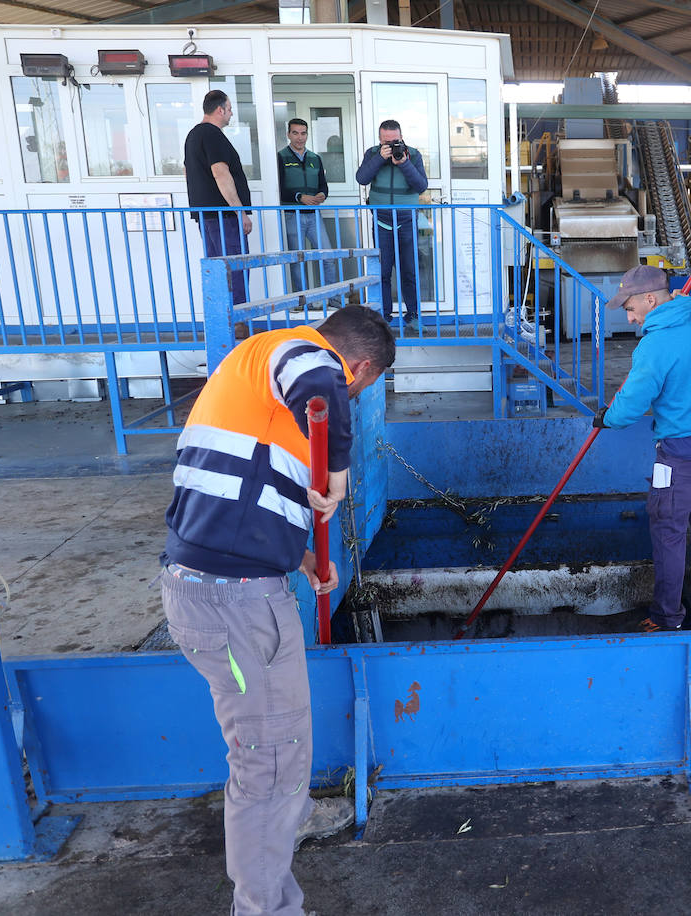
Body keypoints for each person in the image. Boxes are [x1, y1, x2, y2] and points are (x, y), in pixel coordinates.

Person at [160, 305, 396, 915]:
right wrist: (339, 471)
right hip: (235, 604)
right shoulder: (299, 355)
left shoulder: (255, 372)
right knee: (267, 763)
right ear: (360, 368)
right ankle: (265, 908)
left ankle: (295, 812)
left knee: (277, 746)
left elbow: (241, 497)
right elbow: (319, 383)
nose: (354, 398)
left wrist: (301, 558)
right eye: (362, 389)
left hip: (230, 585)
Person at [593, 264, 691, 633]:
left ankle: (666, 616)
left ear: (650, 298)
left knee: (667, 527)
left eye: (629, 307)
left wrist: (606, 418)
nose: (628, 316)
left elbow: (628, 409)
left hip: (681, 451)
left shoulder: (654, 346)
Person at [356, 119, 428, 334]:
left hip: (406, 219)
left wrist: (403, 163)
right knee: (383, 271)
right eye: (386, 142)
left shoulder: (413, 155)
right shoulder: (372, 153)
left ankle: (413, 315)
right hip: (381, 219)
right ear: (380, 140)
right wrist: (380, 158)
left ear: (401, 136)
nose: (391, 145)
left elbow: (421, 186)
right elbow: (362, 178)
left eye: (395, 141)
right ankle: (384, 317)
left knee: (409, 270)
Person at [185, 90, 252, 305]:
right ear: (220, 109)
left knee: (217, 272)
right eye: (230, 109)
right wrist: (240, 212)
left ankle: (224, 323)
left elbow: (188, 172)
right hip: (225, 218)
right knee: (235, 269)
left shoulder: (193, 136)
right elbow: (220, 173)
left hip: (207, 216)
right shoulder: (212, 135)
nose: (231, 114)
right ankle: (239, 322)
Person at [277, 118, 341, 301]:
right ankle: (303, 302)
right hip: (293, 215)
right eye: (295, 133)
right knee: (298, 261)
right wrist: (299, 197)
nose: (299, 137)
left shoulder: (315, 158)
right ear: (288, 134)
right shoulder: (280, 157)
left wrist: (321, 195)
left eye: (303, 133)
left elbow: (324, 186)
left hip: (314, 215)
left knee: (327, 256)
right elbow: (279, 190)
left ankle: (333, 298)